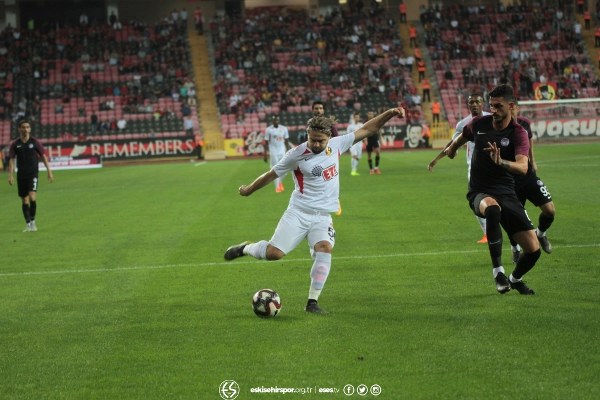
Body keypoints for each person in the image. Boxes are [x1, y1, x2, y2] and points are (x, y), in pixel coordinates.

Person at [223, 107, 406, 313]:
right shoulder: (296, 154)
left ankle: (312, 302)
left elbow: (368, 129)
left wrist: (390, 113)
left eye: (321, 140)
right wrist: (248, 189)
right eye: (313, 140)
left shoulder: (337, 144)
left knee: (324, 248)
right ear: (307, 135)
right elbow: (271, 174)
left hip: (322, 216)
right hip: (298, 212)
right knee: (275, 254)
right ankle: (246, 248)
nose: (317, 144)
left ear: (329, 137)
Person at [444, 84, 541, 295]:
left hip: (507, 192)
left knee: (533, 250)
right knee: (492, 209)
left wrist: (502, 162)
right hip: (479, 190)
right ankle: (498, 272)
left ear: (511, 106)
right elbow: (464, 136)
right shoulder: (479, 124)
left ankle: (515, 279)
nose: (493, 110)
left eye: (498, 106)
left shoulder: (518, 133)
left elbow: (523, 167)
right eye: (492, 105)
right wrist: (452, 148)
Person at [428, 93, 491, 243]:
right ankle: (487, 233)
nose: (474, 105)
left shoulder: (492, 118)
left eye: (477, 102)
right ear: (468, 106)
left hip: (494, 165)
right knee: (475, 200)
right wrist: (436, 159)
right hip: (474, 167)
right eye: (471, 103)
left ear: (483, 104)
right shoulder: (463, 124)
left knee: (505, 197)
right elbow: (452, 144)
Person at [509, 104, 555, 262]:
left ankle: (541, 233)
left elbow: (529, 143)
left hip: (528, 176)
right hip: (510, 181)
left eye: (513, 108)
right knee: (514, 219)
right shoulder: (499, 127)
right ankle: (515, 248)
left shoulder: (525, 123)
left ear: (516, 108)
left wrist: (533, 161)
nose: (511, 111)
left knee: (550, 211)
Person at [7, 118, 54, 232]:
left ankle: (33, 222)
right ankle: (28, 224)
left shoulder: (35, 142)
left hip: (33, 174)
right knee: (24, 201)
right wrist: (10, 175)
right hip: (21, 175)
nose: (26, 129)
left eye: (27, 127)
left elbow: (43, 156)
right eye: (23, 127)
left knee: (32, 197)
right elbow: (12, 160)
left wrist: (49, 171)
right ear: (19, 129)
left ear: (30, 129)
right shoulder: (15, 144)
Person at [263, 115, 290, 193]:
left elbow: (287, 140)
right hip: (273, 152)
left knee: (285, 171)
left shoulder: (284, 129)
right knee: (274, 170)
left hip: (282, 151)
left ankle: (279, 182)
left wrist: (288, 151)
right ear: (272, 121)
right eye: (274, 120)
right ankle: (277, 187)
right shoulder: (268, 130)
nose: (276, 121)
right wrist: (265, 154)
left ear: (279, 120)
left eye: (277, 120)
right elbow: (266, 142)